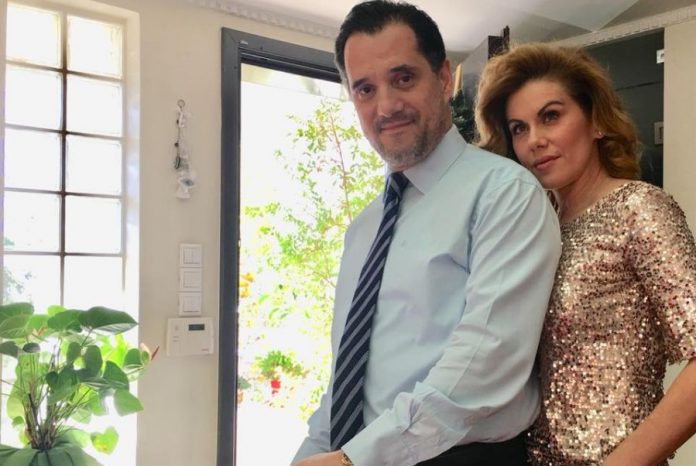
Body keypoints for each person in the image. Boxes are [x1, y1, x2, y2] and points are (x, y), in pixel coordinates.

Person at [292, 2, 561, 466]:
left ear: (442, 77)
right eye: (365, 89)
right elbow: (348, 379)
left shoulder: (503, 193)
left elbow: (485, 364)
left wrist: (356, 459)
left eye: (403, 79)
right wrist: (314, 453)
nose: (386, 106)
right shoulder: (364, 228)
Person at [475, 42, 696, 465]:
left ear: (595, 121)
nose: (535, 140)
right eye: (519, 128)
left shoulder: (638, 208)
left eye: (550, 116)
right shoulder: (532, 229)